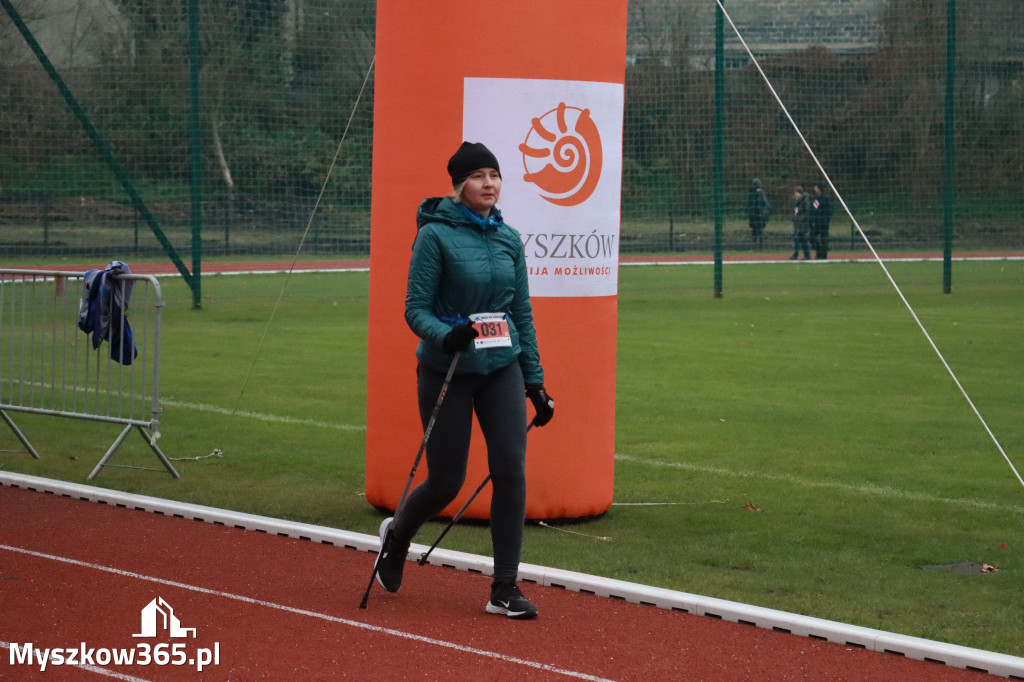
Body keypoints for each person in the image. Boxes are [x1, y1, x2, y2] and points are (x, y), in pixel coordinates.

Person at [374, 141, 555, 620]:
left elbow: (521, 313)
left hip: (501, 367)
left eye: (494, 175)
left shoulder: (509, 238)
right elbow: (416, 309)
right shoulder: (434, 236)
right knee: (447, 480)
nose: (489, 184)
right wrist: (445, 335)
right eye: (478, 176)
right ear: (459, 186)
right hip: (448, 369)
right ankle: (397, 537)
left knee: (511, 471)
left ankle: (504, 587)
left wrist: (534, 381)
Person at [809, 183, 833, 259]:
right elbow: (813, 210)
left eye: (816, 188)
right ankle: (819, 253)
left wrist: (826, 221)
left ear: (820, 189)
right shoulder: (815, 199)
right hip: (816, 223)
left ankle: (823, 256)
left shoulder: (825, 199)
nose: (814, 189)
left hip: (823, 223)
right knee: (811, 237)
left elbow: (828, 211)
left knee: (824, 240)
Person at [746, 178, 771, 250]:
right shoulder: (753, 193)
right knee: (755, 231)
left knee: (758, 231)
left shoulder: (759, 194)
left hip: (759, 215)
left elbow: (764, 204)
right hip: (755, 215)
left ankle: (759, 247)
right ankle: (756, 246)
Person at [790, 185, 811, 260]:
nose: (795, 194)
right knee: (798, 239)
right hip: (798, 223)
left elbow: (806, 210)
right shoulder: (796, 200)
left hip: (803, 224)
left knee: (801, 239)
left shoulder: (805, 200)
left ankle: (806, 255)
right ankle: (798, 254)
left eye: (796, 192)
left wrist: (801, 218)